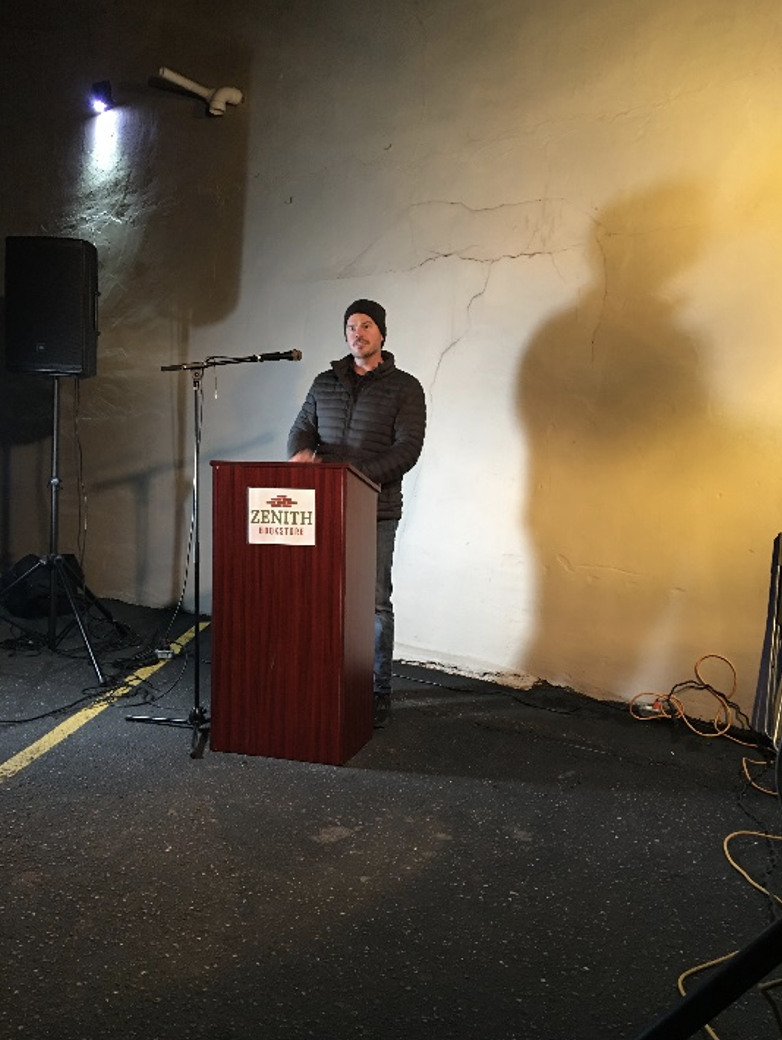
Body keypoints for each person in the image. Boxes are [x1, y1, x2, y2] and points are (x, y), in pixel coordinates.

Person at [288, 299, 427, 727]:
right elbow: (302, 429)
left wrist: (352, 477)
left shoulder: (405, 387)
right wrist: (301, 453)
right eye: (351, 326)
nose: (358, 333)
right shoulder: (323, 382)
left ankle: (376, 692)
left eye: (367, 326)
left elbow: (407, 449)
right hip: (323, 508)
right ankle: (327, 681)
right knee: (322, 597)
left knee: (373, 604)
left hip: (375, 509)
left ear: (382, 334)